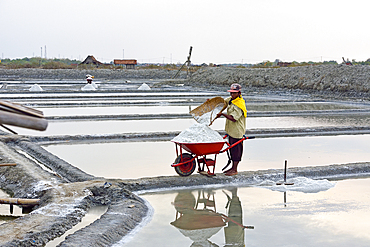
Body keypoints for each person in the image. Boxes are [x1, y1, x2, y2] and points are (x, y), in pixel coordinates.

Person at [216, 83, 247, 176]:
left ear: (239, 93)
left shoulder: (239, 104)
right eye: (231, 93)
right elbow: (223, 103)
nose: (232, 95)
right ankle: (232, 168)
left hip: (237, 131)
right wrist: (212, 103)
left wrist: (222, 114)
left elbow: (233, 118)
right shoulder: (231, 100)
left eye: (234, 93)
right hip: (231, 130)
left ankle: (235, 169)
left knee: (236, 150)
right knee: (232, 149)